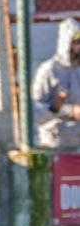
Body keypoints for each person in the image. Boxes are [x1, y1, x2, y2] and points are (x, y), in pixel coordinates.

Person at [32, 17, 80, 149]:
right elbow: (35, 112)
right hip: (55, 142)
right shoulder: (49, 70)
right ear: (67, 43)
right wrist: (63, 109)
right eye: (77, 42)